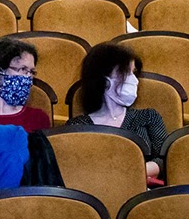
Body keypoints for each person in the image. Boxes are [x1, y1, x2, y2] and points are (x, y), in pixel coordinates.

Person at [67, 43, 167, 180]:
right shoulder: (77, 127)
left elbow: (165, 160)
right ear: (102, 76)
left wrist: (126, 172)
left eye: (134, 72)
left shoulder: (148, 117)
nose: (133, 80)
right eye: (125, 72)